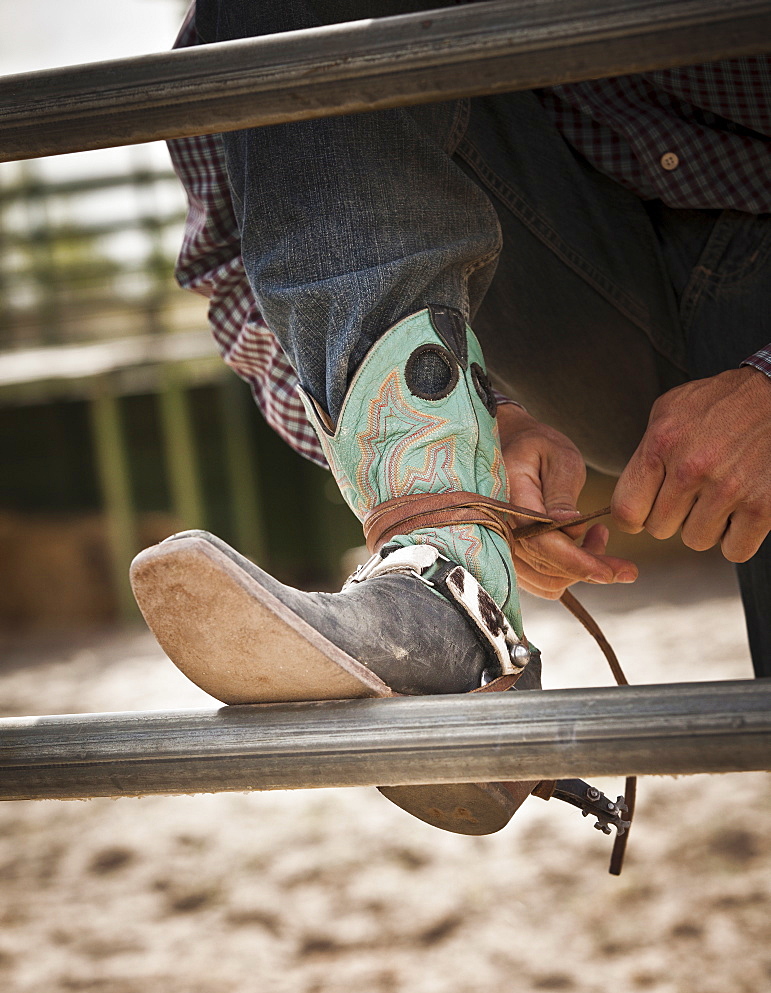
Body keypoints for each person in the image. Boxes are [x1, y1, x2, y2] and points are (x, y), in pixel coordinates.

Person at [131, 1, 770, 837]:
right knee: (277, 17)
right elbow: (238, 276)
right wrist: (477, 430)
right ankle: (448, 578)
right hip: (559, 311)